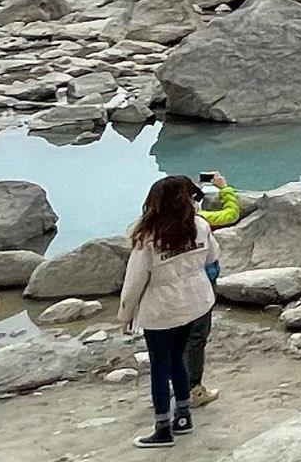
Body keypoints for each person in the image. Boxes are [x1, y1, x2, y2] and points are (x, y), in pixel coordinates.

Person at [120, 176, 220, 445]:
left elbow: (134, 282)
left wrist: (126, 314)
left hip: (161, 309)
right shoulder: (199, 226)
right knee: (178, 358)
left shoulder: (148, 238)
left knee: (159, 366)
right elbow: (212, 257)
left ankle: (162, 429)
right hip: (194, 302)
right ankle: (184, 416)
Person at [184, 171, 242, 409]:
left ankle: (175, 385)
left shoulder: (154, 227)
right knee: (196, 337)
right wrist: (224, 187)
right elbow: (232, 213)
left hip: (169, 292)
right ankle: (192, 389)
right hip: (201, 286)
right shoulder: (200, 222)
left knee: (175, 338)